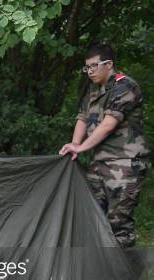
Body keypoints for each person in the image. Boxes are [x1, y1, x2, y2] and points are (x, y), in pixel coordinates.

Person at [59, 44, 151, 248]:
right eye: (87, 68)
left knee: (118, 225)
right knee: (92, 220)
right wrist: (74, 145)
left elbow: (108, 125)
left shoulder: (126, 86)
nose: (89, 71)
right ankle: (98, 274)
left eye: (94, 66)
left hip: (126, 165)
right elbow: (82, 118)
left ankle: (125, 277)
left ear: (109, 64)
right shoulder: (94, 89)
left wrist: (81, 148)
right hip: (99, 164)